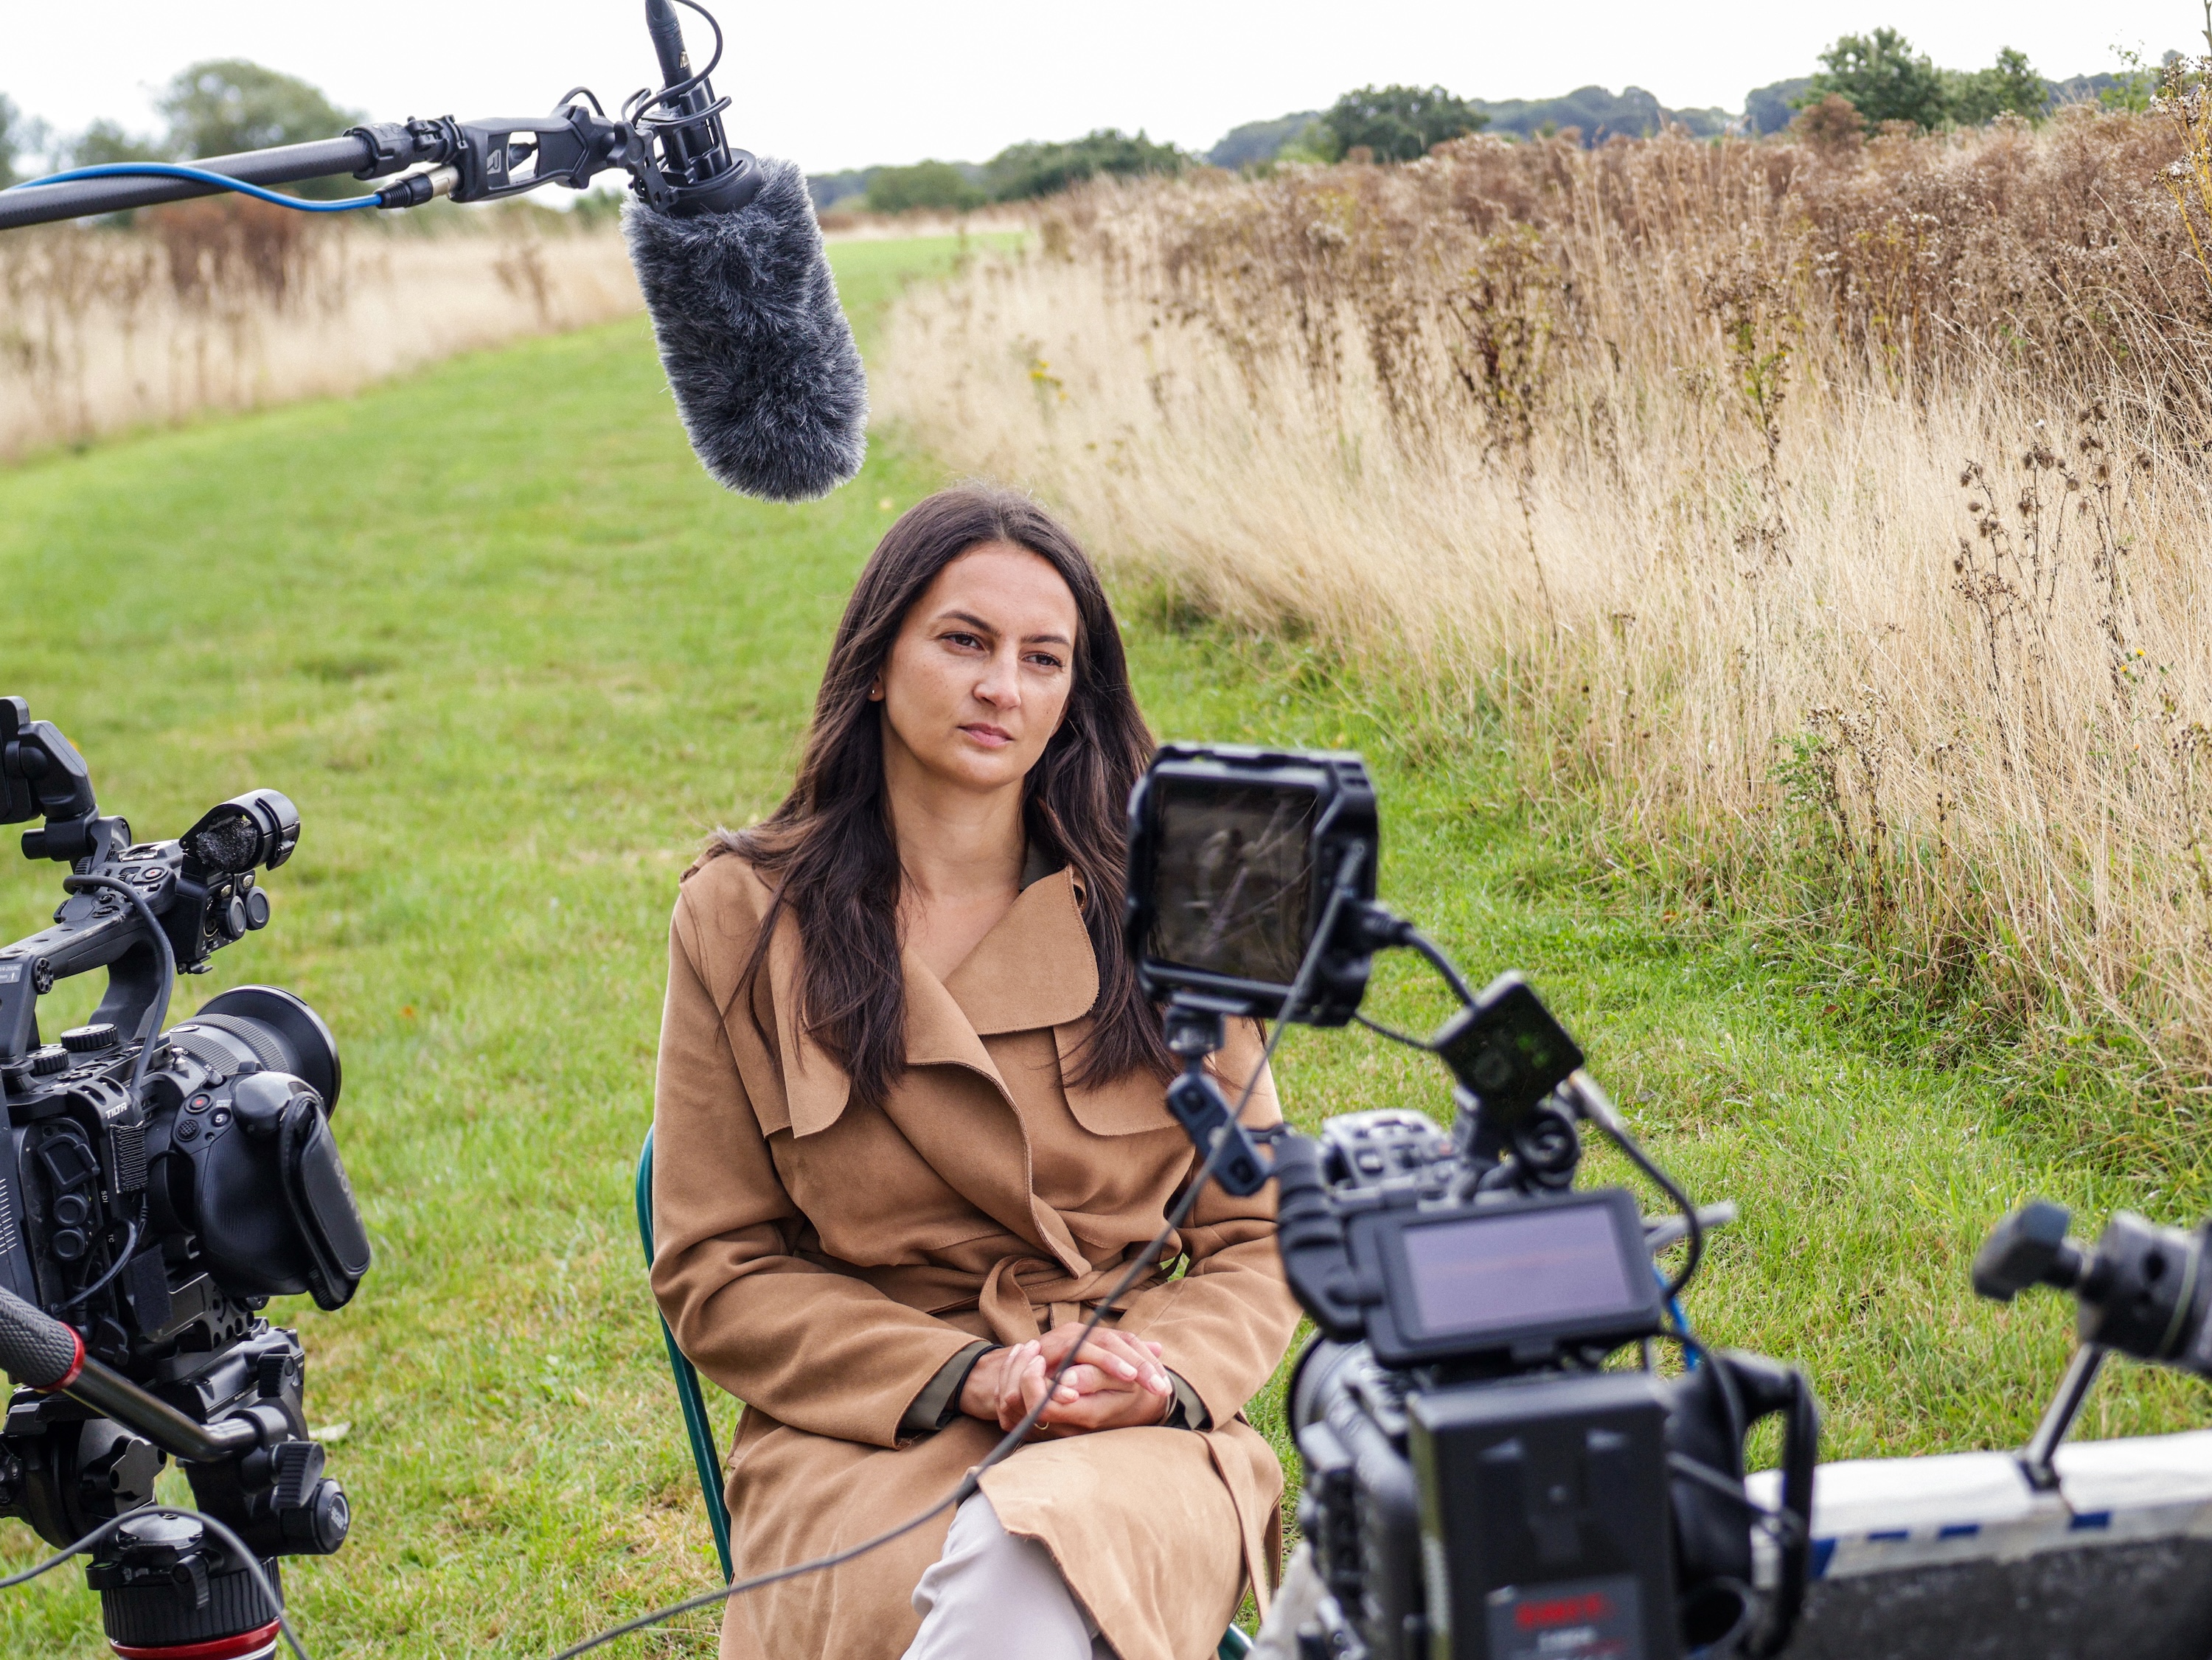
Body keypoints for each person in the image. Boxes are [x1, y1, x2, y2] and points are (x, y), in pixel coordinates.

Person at [650, 484, 1302, 1660]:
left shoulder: (1183, 892)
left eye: (1043, 659)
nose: (1003, 687)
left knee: (1035, 1566)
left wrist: (1161, 1376)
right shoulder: (743, 915)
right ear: (877, 661)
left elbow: (1262, 1237)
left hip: (1130, 1410)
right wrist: (973, 1374)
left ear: (1074, 698)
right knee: (996, 1591)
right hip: (867, 1428)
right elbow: (717, 1268)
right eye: (964, 641)